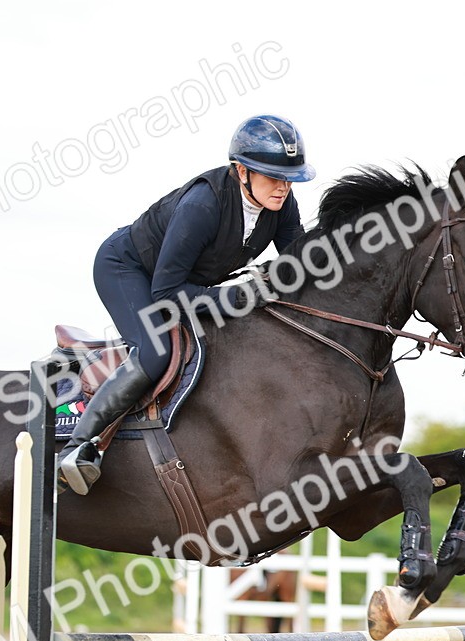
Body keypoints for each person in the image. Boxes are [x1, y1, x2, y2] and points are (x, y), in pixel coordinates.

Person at [57, 114, 317, 495]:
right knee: (156, 351)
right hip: (128, 270)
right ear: (241, 171)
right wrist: (243, 295)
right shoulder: (203, 206)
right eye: (273, 177)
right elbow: (166, 295)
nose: (283, 188)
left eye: (289, 179)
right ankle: (78, 446)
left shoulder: (281, 204)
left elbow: (300, 265)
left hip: (183, 282)